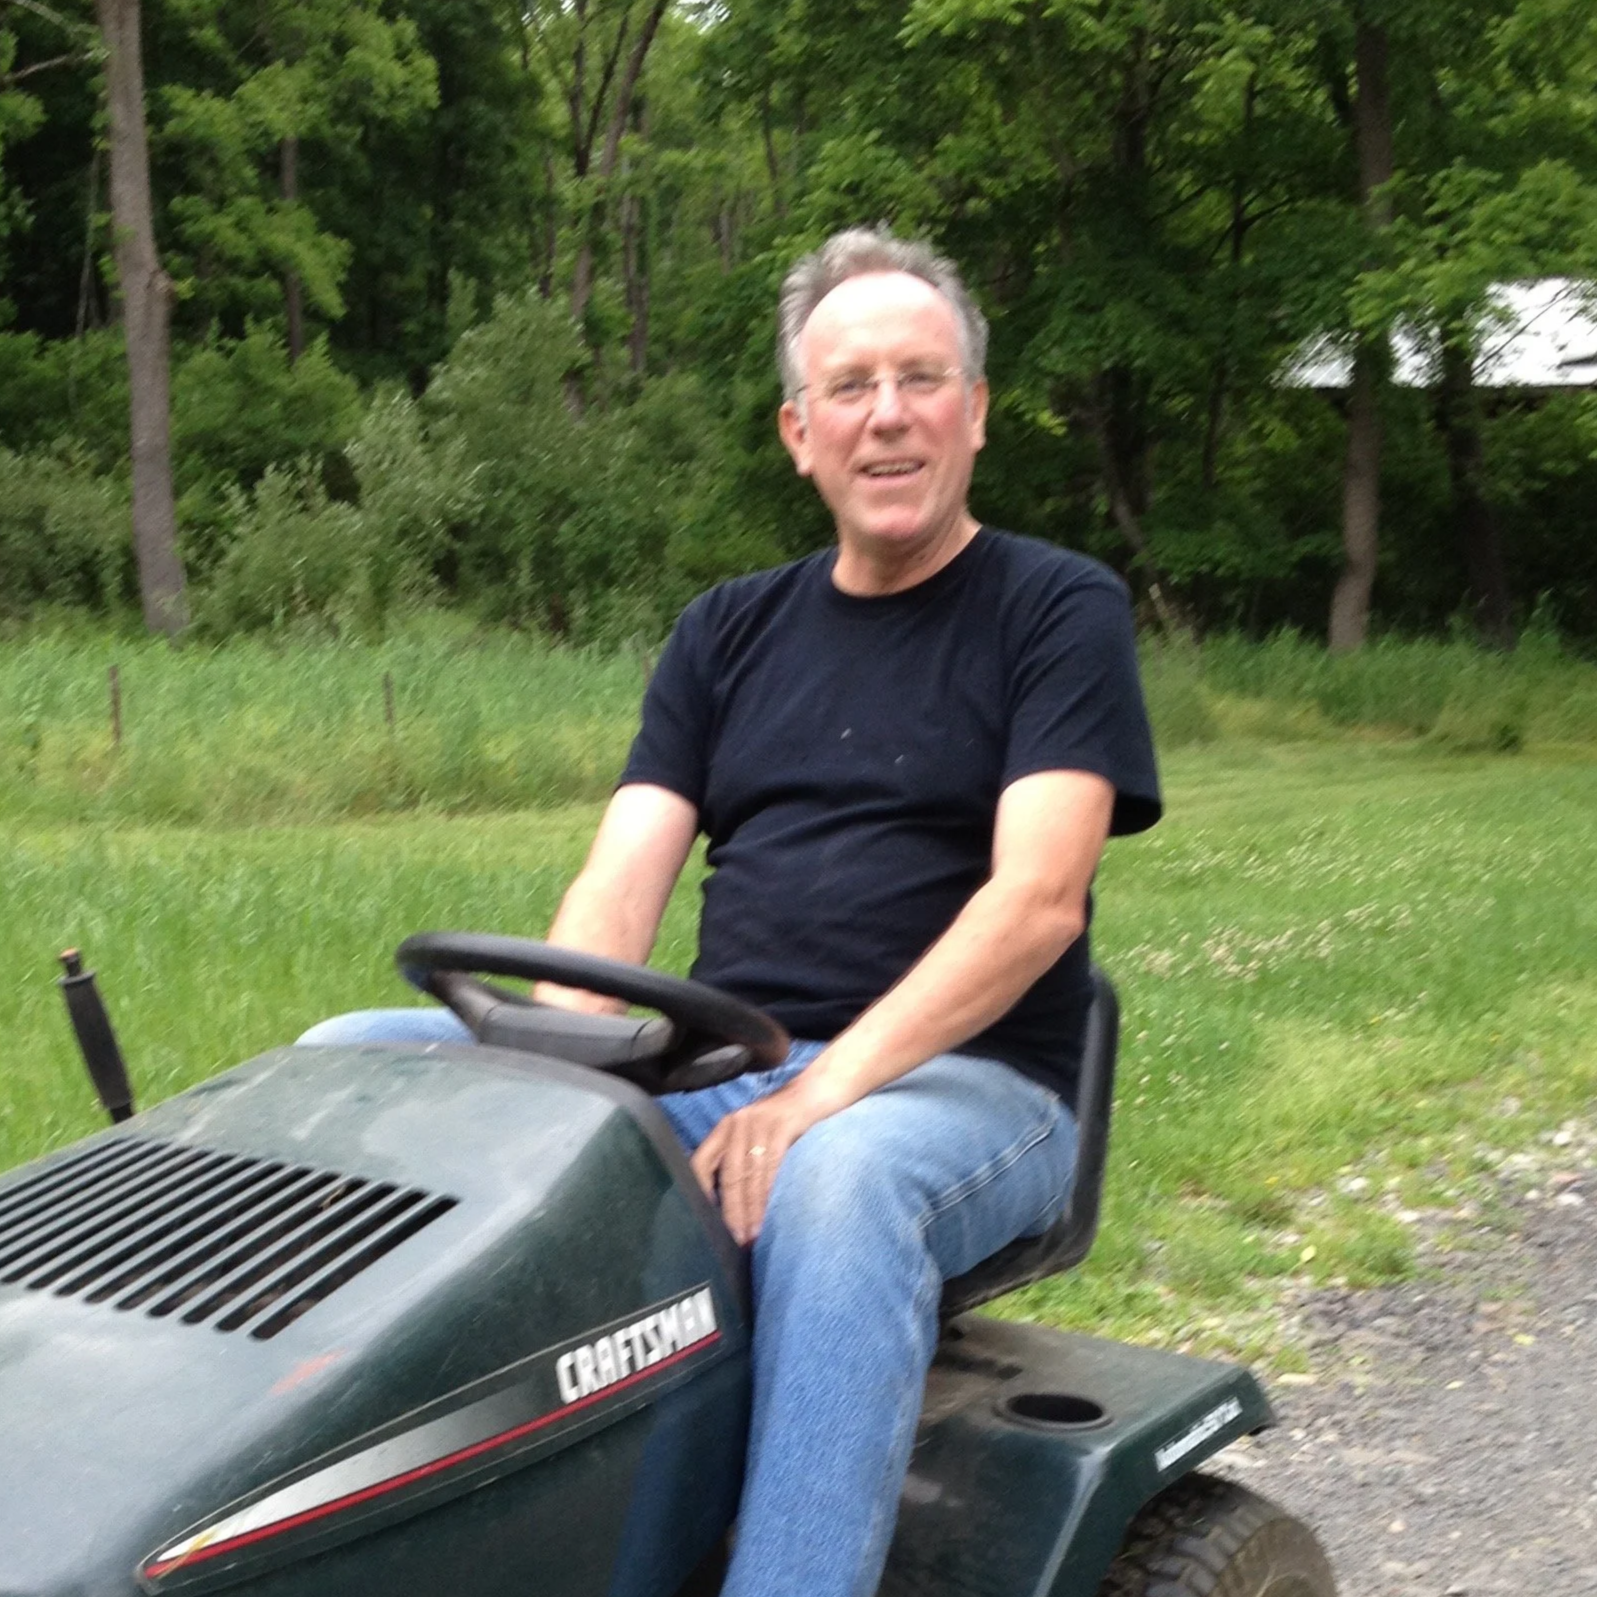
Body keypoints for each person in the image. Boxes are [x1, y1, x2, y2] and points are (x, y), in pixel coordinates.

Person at [300, 226, 1160, 1597]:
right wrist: (557, 1063)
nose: (888, 414)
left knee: (840, 1180)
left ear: (977, 412)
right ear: (799, 432)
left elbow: (1038, 903)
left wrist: (818, 1099)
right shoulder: (725, 630)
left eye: (921, 378)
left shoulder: (1057, 609)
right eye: (851, 386)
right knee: (345, 1068)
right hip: (727, 1066)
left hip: (968, 1087)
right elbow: (619, 884)